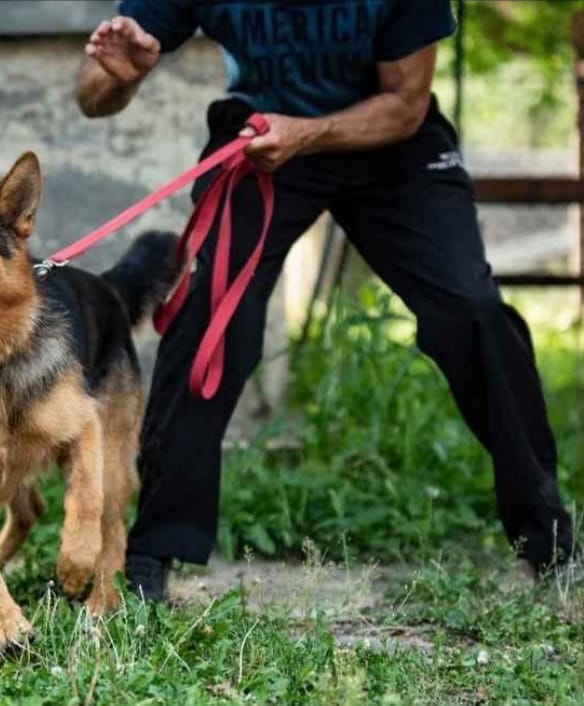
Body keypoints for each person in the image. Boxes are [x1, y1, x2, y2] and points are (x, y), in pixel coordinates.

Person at [74, 0, 576, 600]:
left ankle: (549, 539)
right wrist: (117, 75)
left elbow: (406, 104)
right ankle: (154, 548)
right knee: (211, 312)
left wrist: (309, 133)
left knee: (472, 314)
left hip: (391, 145)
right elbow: (92, 93)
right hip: (261, 139)